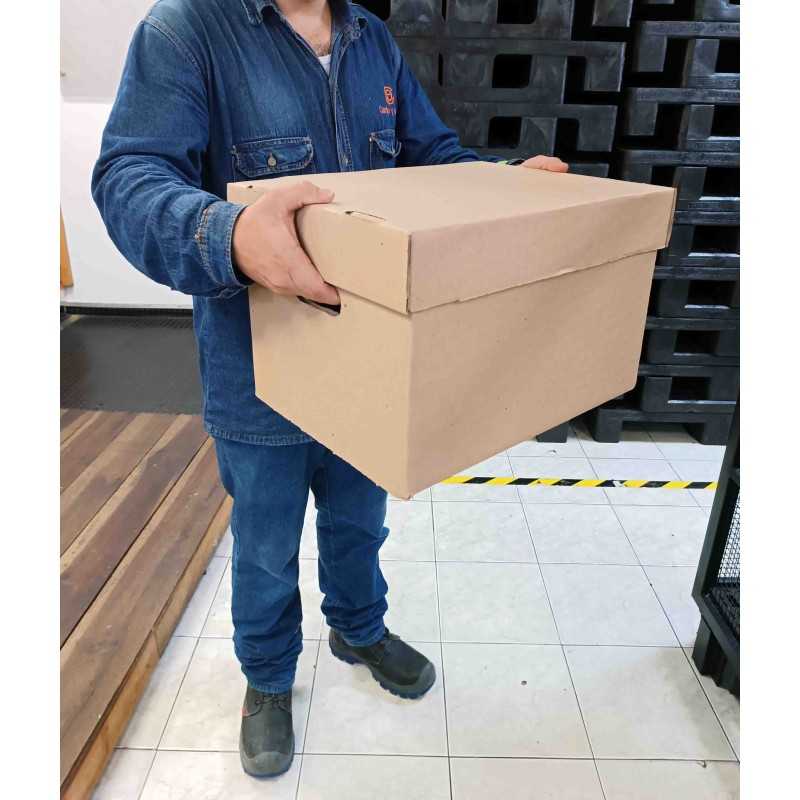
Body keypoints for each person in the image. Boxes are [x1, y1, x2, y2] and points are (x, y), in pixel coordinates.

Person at [93, 0, 568, 778]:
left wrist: (503, 186)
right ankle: (268, 677)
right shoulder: (185, 31)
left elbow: (430, 157)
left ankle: (358, 626)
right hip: (259, 370)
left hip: (369, 361)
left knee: (358, 519)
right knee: (266, 544)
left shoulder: (367, 36)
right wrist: (228, 233)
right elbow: (129, 177)